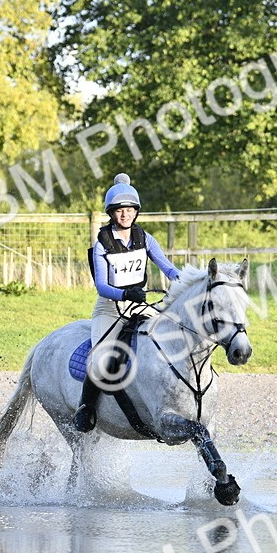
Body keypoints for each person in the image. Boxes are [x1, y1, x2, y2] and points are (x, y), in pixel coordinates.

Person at [74, 173, 181, 432]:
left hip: (138, 306)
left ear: (136, 212)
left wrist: (185, 280)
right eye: (120, 210)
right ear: (112, 213)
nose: (125, 215)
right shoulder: (102, 243)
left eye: (130, 210)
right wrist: (125, 294)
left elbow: (167, 268)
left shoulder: (144, 238)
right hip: (110, 308)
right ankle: (85, 408)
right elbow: (100, 285)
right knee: (101, 358)